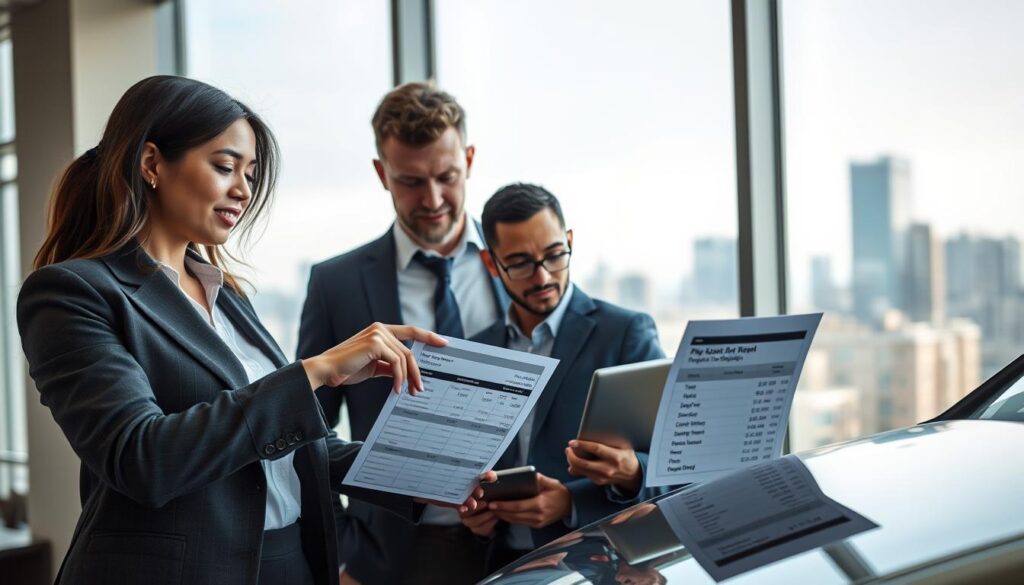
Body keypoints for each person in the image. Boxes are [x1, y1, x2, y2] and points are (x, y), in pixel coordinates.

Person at [16, 75, 489, 585]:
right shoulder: (72, 293)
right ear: (151, 163)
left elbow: (287, 447)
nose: (243, 190)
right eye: (225, 167)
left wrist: (417, 478)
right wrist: (315, 372)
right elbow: (142, 457)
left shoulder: (229, 296)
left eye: (251, 172)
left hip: (290, 564)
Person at [297, 82, 507, 585]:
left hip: (515, 545)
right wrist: (341, 556)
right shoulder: (336, 284)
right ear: (381, 173)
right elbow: (307, 436)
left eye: (447, 177)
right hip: (383, 560)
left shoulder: (519, 265)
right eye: (411, 181)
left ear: (470, 159)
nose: (432, 199)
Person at [460, 183, 668, 570]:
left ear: (569, 240)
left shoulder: (625, 332)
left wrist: (573, 502)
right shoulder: (476, 352)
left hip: (601, 565)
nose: (542, 277)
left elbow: (674, 467)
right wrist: (476, 516)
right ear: (492, 264)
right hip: (500, 567)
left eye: (555, 255)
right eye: (520, 263)